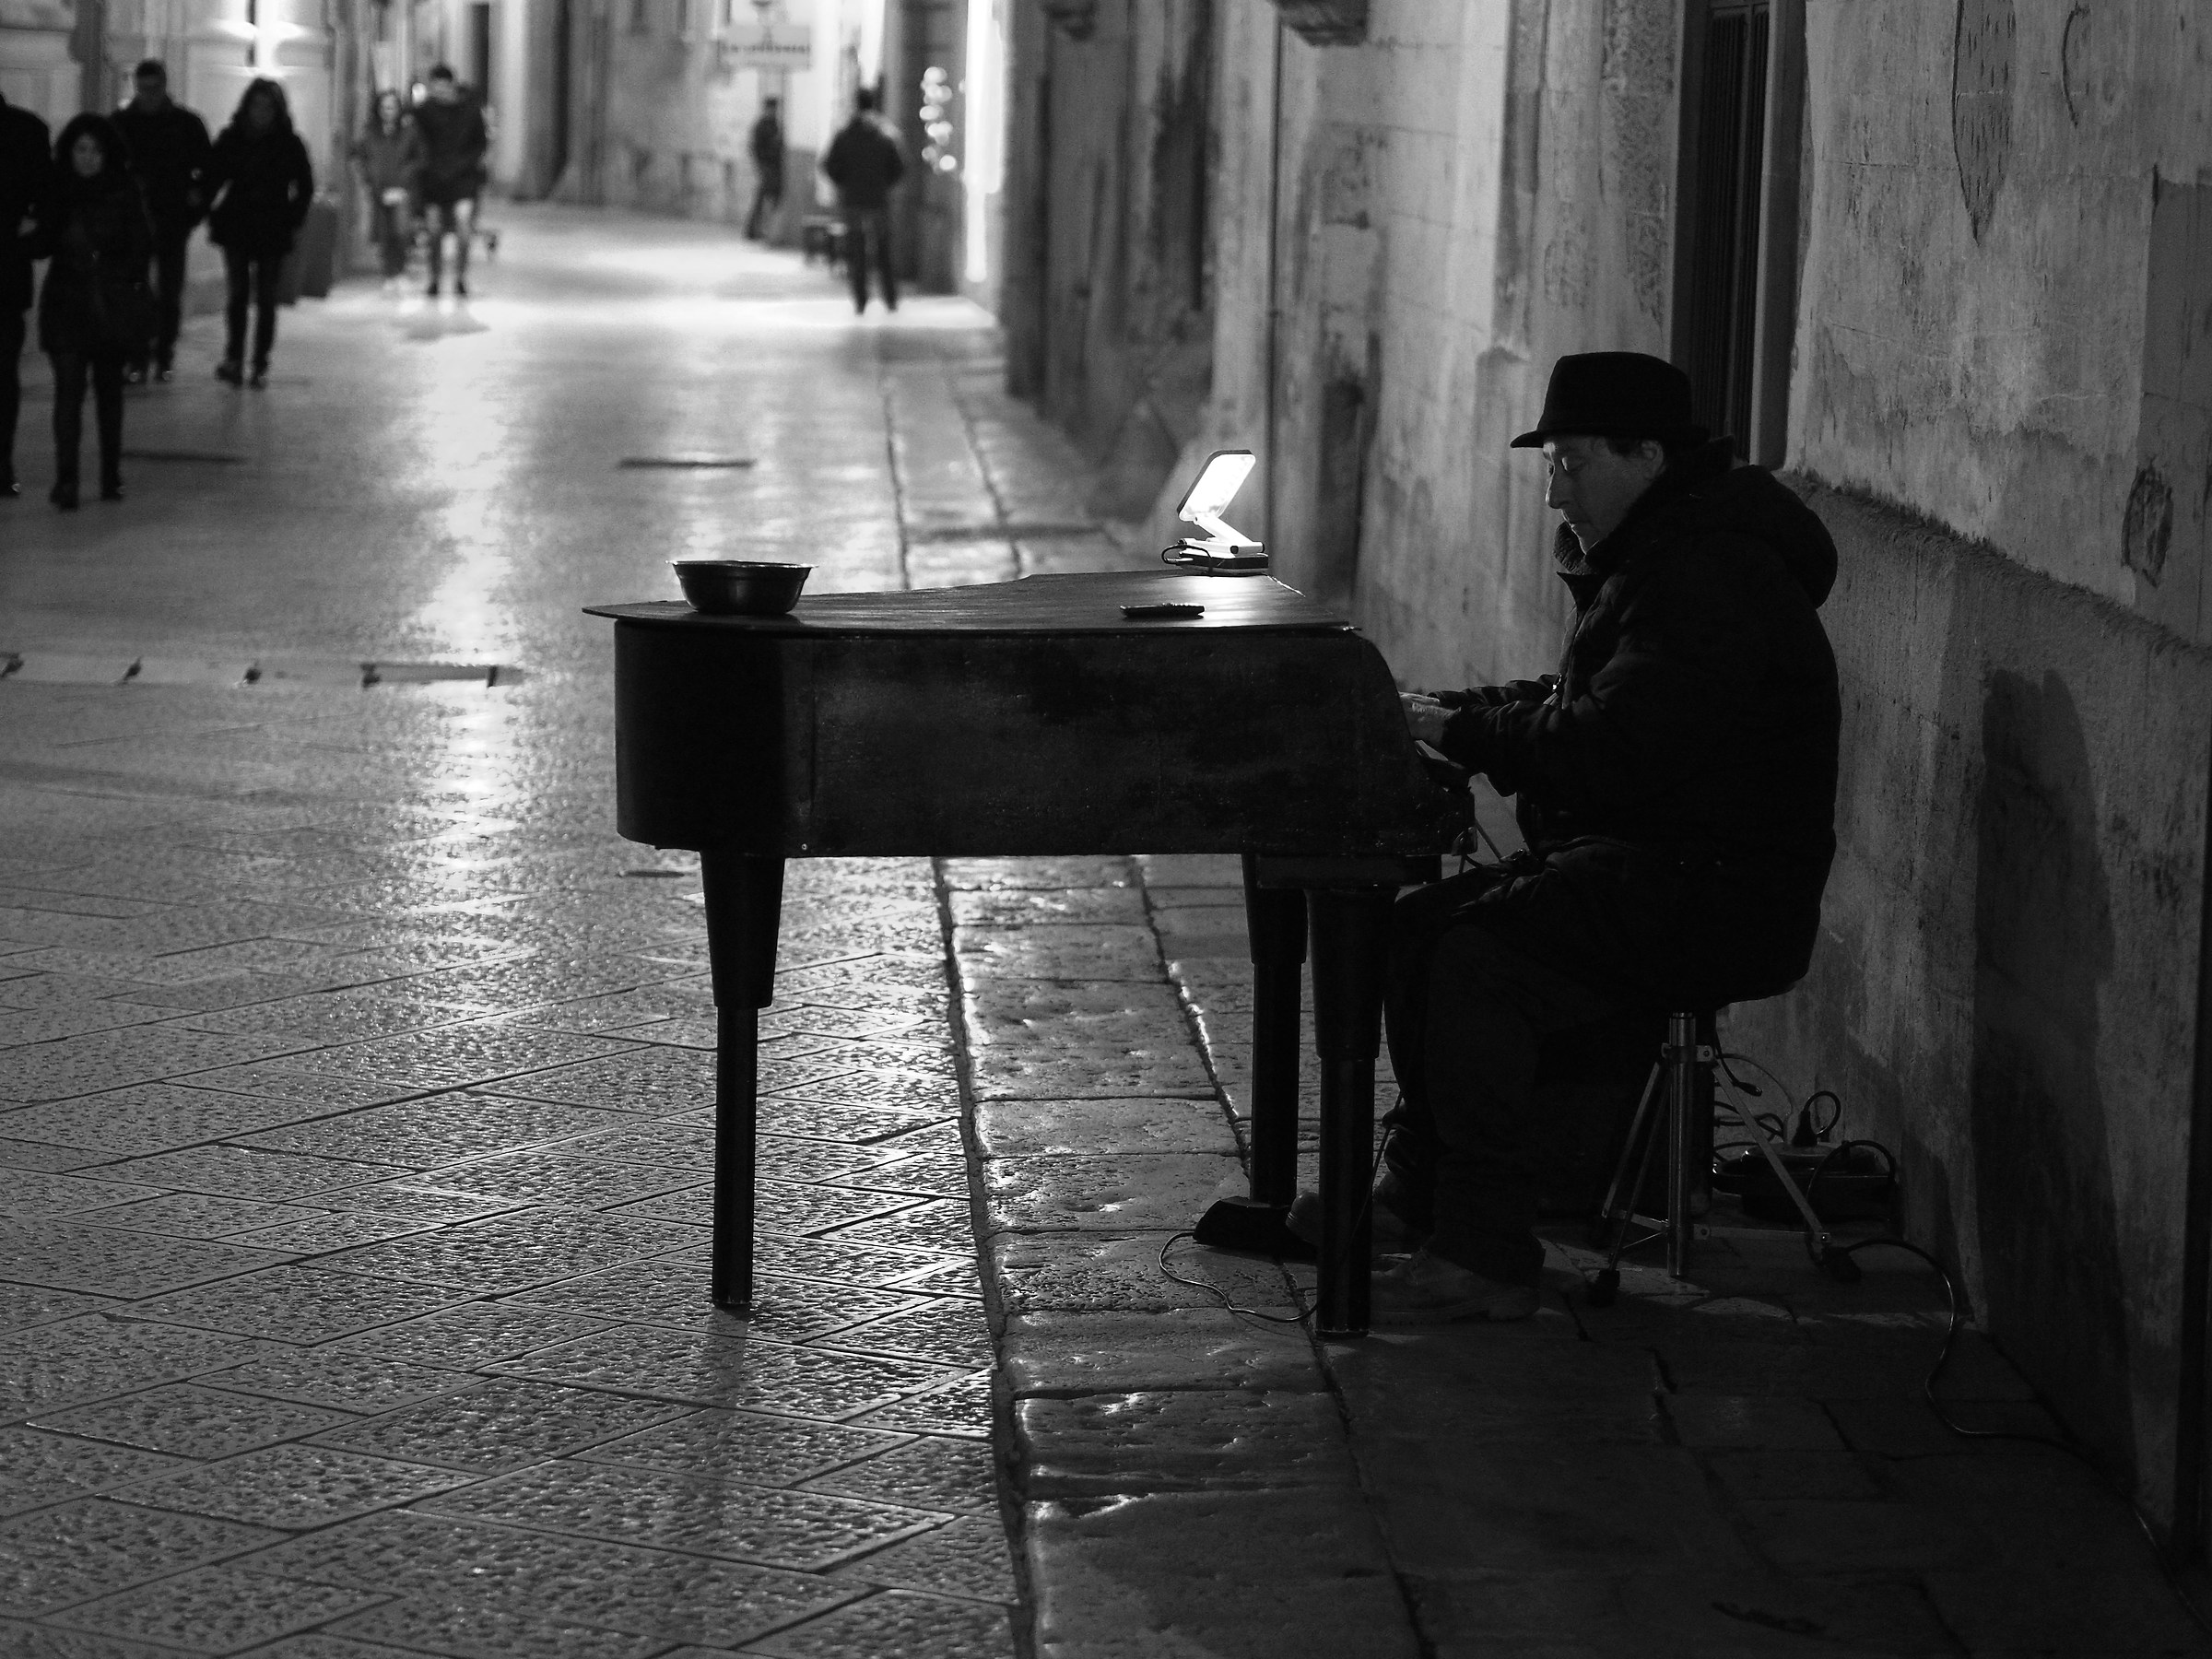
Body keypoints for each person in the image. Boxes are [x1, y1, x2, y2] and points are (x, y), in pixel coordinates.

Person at [1289, 352, 1841, 1324]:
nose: (1556, 488)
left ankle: (1487, 1247)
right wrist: (1442, 710)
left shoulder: (1709, 573)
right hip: (1653, 864)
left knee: (1476, 959)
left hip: (1718, 889)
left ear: (1647, 456)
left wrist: (1459, 733)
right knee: (1419, 927)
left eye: (1573, 463)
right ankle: (1416, 1198)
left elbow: (1611, 745)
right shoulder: (1663, 552)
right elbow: (1581, 700)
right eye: (1550, 463)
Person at [36, 115, 155, 508]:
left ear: (109, 155)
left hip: (108, 302)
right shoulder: (57, 190)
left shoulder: (124, 191)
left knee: (108, 393)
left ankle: (109, 474)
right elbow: (43, 242)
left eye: (96, 151)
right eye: (81, 150)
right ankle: (67, 479)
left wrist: (117, 274)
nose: (88, 159)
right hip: (67, 301)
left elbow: (141, 245)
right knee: (68, 393)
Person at [205, 77, 312, 389]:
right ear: (247, 106)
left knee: (266, 296)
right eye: (256, 105)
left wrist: (293, 217)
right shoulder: (232, 138)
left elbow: (304, 187)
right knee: (238, 293)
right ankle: (234, 357)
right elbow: (215, 175)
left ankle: (260, 362)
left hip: (272, 224)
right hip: (238, 222)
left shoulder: (289, 143)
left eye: (268, 106)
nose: (261, 112)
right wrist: (206, 206)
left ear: (277, 110)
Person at [112, 59, 211, 382]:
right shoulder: (121, 124)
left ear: (164, 87)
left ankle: (164, 353)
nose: (149, 96)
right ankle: (137, 356)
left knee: (169, 291)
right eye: (143, 90)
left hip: (171, 220)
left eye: (154, 89)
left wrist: (192, 212)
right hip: (134, 221)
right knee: (136, 289)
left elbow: (206, 172)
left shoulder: (186, 125)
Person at [0, 90, 53, 499]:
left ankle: (2, 462)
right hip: (9, 272)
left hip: (6, 273)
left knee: (3, 374)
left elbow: (45, 200)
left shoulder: (25, 132)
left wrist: (31, 232)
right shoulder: (28, 130)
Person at [821, 88, 903, 314]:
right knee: (883, 249)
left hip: (854, 201)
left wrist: (844, 183)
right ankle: (890, 298)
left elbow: (829, 164)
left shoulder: (846, 134)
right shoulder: (885, 135)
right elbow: (898, 168)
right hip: (878, 200)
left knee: (857, 251)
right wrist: (883, 184)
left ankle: (860, 300)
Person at [411, 65, 488, 298]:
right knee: (434, 232)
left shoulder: (470, 111)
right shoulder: (423, 112)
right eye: (435, 87)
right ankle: (434, 278)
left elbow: (480, 143)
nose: (440, 92)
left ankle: (460, 278)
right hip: (433, 181)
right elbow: (416, 143)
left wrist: (466, 164)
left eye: (443, 87)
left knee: (464, 228)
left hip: (463, 178)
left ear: (451, 85)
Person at [352, 90, 418, 288]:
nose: (388, 111)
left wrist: (405, 180)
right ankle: (389, 272)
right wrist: (368, 179)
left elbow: (418, 159)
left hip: (402, 190)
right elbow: (360, 157)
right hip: (379, 190)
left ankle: (399, 270)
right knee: (384, 232)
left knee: (401, 231)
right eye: (384, 107)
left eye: (392, 107)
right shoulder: (370, 134)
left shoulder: (409, 133)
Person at [745, 96, 783, 241]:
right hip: (767, 166)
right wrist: (761, 166)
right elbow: (756, 148)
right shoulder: (762, 126)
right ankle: (753, 229)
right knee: (762, 198)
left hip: (772, 166)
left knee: (766, 198)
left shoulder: (773, 125)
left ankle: (760, 229)